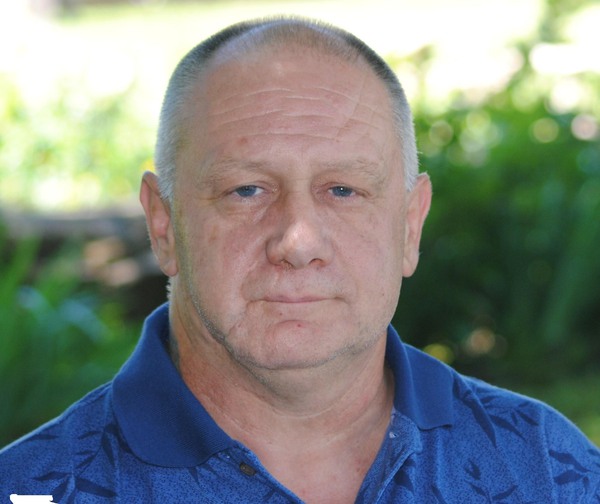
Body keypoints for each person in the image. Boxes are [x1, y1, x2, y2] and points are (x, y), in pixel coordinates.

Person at [1, 16, 599, 503]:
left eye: (344, 190)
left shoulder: (548, 472)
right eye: (246, 190)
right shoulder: (34, 491)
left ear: (410, 225)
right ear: (164, 225)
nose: (298, 240)